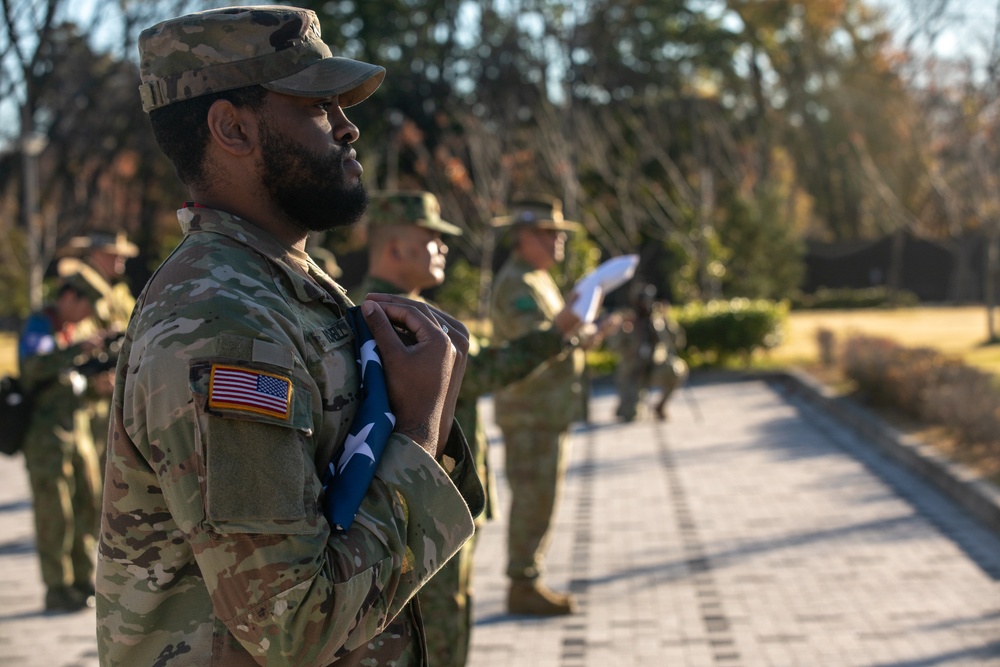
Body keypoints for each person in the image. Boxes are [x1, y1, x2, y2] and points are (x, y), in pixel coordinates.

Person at [97, 7, 481, 665]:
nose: (347, 126)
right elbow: (292, 621)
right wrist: (419, 430)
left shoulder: (278, 285)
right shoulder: (223, 323)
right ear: (233, 128)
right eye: (317, 104)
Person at [355, 190, 585, 664]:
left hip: (433, 500)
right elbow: (482, 374)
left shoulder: (409, 311)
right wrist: (556, 335)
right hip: (417, 509)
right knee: (434, 630)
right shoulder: (386, 319)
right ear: (395, 249)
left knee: (451, 615)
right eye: (432, 238)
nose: (443, 247)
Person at [489, 194, 587, 616]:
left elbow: (554, 338)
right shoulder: (518, 284)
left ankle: (527, 577)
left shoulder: (538, 278)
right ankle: (522, 583)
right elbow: (531, 344)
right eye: (548, 234)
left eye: (559, 234)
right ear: (523, 237)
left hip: (546, 411)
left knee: (542, 497)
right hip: (529, 414)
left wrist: (584, 334)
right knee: (532, 498)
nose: (557, 242)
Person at [18, 267, 109, 612]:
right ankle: (57, 587)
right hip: (46, 438)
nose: (88, 317)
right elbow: (34, 367)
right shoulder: (41, 326)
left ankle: (83, 580)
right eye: (86, 306)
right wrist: (77, 350)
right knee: (55, 513)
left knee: (86, 505)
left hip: (78, 431)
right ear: (70, 296)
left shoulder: (71, 329)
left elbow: (74, 385)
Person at [58, 232, 138, 470]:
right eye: (114, 254)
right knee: (99, 472)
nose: (120, 259)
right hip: (93, 391)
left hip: (116, 388)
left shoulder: (118, 292)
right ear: (96, 254)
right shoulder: (83, 288)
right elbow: (76, 340)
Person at [608, 283, 688, 421]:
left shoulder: (658, 320)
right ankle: (626, 404)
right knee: (629, 415)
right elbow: (613, 347)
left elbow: (677, 342)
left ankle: (660, 406)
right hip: (632, 371)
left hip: (653, 366)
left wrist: (666, 321)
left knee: (677, 369)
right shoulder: (628, 320)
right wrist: (623, 330)